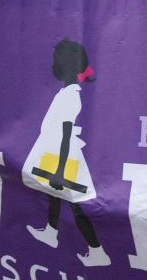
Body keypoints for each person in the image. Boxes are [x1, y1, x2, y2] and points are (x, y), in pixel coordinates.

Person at [23, 40, 107, 267]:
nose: (52, 67)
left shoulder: (71, 95)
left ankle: (98, 251)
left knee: (75, 205)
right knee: (54, 196)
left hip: (65, 158)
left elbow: (66, 135)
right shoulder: (65, 92)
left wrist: (60, 171)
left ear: (67, 66)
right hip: (54, 154)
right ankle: (51, 232)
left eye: (56, 62)